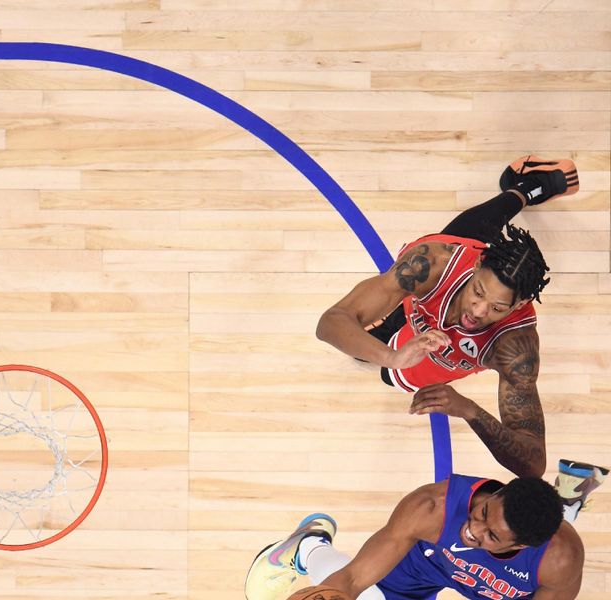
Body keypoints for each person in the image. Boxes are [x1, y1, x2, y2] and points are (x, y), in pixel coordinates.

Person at [315, 156, 605, 519]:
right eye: (479, 292)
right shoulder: (433, 263)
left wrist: (468, 410)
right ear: (477, 265)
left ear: (521, 304)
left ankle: (525, 189)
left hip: (437, 360)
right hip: (419, 306)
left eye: (498, 307)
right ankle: (523, 189)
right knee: (469, 231)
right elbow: (329, 323)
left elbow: (533, 462)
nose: (480, 312)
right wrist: (393, 356)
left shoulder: (514, 346)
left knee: (388, 373)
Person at [245, 474, 584, 600]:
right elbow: (353, 577)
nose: (472, 531)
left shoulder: (559, 561)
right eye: (483, 513)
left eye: (492, 535)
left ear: (521, 546)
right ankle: (309, 547)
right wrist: (332, 595)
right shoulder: (431, 508)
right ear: (498, 494)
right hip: (427, 565)